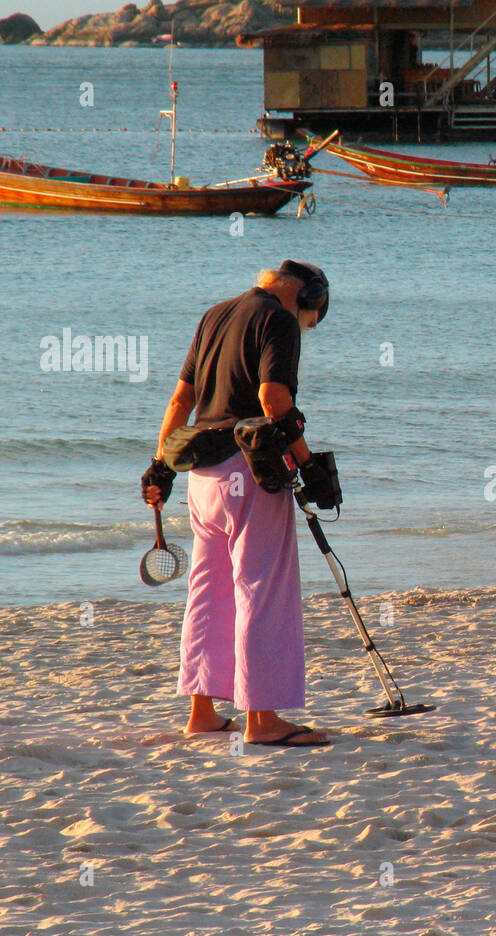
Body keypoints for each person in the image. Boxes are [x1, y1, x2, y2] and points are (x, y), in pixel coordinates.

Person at [141, 260, 336, 747]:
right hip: (248, 471)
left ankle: (202, 713)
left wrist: (161, 466)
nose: (306, 327)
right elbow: (273, 398)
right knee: (261, 588)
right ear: (306, 295)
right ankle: (262, 720)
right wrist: (308, 464)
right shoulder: (279, 320)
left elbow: (179, 401)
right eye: (311, 317)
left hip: (202, 475)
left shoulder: (215, 315)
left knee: (208, 590)